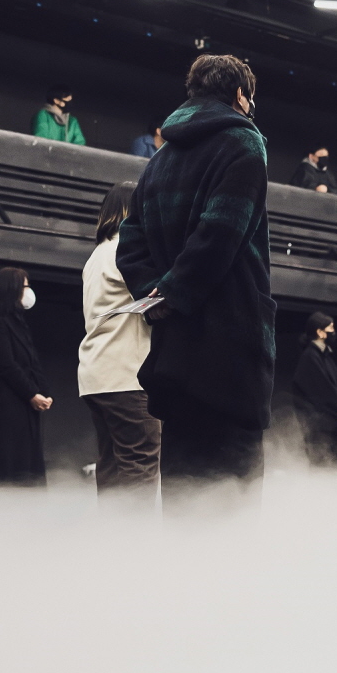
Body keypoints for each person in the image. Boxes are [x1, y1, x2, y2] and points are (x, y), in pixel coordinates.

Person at [116, 54, 275, 504]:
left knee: (183, 492)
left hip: (174, 351)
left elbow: (129, 240)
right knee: (234, 498)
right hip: (230, 346)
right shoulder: (245, 142)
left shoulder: (159, 159)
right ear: (240, 95)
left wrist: (156, 294)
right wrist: (174, 291)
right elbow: (222, 230)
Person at [78, 183, 160, 497]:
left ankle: (112, 528)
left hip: (95, 375)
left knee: (111, 467)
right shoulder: (126, 252)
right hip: (126, 374)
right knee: (141, 464)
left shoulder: (96, 256)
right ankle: (134, 531)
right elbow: (160, 296)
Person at [0, 267, 51, 486]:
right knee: (8, 458)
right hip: (6, 402)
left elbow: (32, 361)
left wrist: (43, 392)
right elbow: (6, 365)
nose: (28, 291)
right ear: (12, 288)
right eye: (25, 286)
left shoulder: (18, 322)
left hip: (25, 402)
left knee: (27, 459)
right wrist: (32, 394)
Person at [290, 312, 337, 466]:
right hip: (320, 429)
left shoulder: (325, 356)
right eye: (331, 328)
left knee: (330, 467)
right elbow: (325, 392)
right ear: (320, 332)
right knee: (323, 467)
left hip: (330, 426)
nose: (333, 332)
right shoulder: (311, 357)